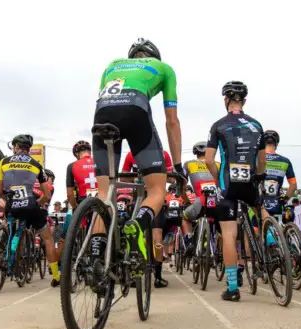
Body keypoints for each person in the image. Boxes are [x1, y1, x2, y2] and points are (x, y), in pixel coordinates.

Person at [90, 37, 185, 283]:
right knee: (156, 190)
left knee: (104, 194)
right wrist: (176, 165)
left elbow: (103, 99)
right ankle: (136, 224)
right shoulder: (164, 69)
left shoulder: (112, 65)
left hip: (102, 114)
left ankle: (95, 257)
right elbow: (171, 121)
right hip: (136, 111)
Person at [206, 80, 267, 302]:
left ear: (226, 100)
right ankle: (271, 237)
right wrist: (259, 174)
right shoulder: (257, 125)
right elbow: (262, 162)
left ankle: (232, 287)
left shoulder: (218, 125)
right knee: (261, 211)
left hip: (228, 184)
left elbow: (209, 160)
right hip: (250, 181)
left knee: (230, 235)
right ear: (245, 100)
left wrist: (218, 179)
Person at [0, 134, 61, 286]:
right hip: (31, 205)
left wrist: (11, 201)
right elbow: (46, 195)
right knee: (47, 238)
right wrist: (36, 202)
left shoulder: (3, 162)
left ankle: (11, 261)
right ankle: (56, 276)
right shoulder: (36, 164)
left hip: (12, 204)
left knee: (13, 230)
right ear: (28, 149)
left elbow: (0, 191)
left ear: (16, 147)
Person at [182, 141, 219, 249]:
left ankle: (188, 241)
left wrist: (187, 201)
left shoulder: (188, 164)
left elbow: (182, 188)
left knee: (185, 218)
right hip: (218, 202)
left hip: (200, 203)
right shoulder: (218, 164)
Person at [260, 130, 297, 227]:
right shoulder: (285, 161)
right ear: (276, 144)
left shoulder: (257, 158)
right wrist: (285, 199)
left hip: (259, 202)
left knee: (254, 229)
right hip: (276, 204)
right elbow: (293, 185)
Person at [66, 140, 98, 210]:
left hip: (83, 201)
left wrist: (75, 207)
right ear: (90, 151)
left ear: (76, 154)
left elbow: (70, 194)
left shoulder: (71, 166)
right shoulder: (99, 162)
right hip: (101, 200)